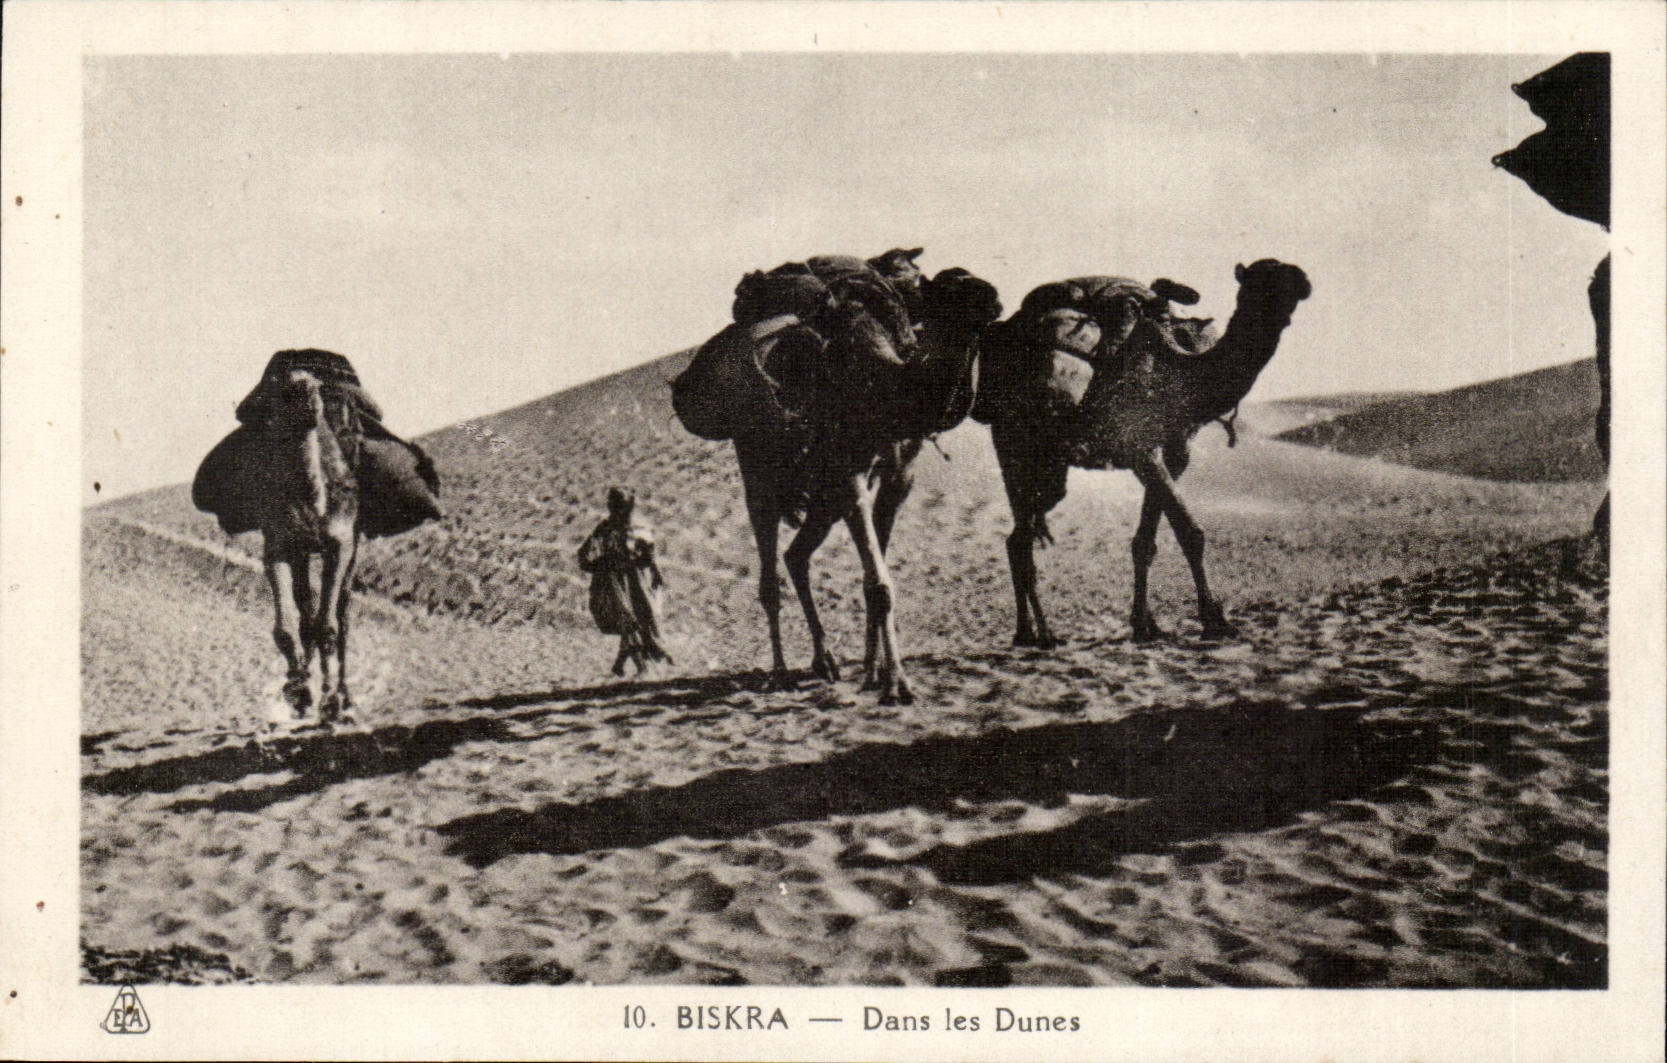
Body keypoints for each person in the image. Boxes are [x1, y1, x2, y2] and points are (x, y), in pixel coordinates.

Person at [578, 488, 673, 676]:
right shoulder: (606, 527)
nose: (613, 508)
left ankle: (620, 665)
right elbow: (584, 553)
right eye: (612, 504)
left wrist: (654, 572)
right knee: (628, 621)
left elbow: (649, 554)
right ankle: (642, 668)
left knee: (640, 619)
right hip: (614, 582)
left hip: (636, 581)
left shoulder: (638, 527)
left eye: (618, 504)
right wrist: (599, 566)